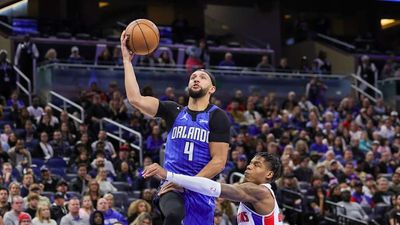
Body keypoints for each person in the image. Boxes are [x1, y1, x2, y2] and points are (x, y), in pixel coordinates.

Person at [121, 30, 230, 225]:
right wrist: (127, 61)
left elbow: (219, 162)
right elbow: (135, 99)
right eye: (193, 76)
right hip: (171, 187)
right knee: (173, 215)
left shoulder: (217, 116)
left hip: (200, 190)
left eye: (202, 77)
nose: (196, 78)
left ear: (212, 89)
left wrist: (188, 183)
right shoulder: (173, 110)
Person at [143, 152, 283, 225]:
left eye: (257, 165)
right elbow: (210, 189)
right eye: (251, 163)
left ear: (269, 174)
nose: (249, 166)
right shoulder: (249, 190)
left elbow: (212, 188)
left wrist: (169, 175)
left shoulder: (260, 192)